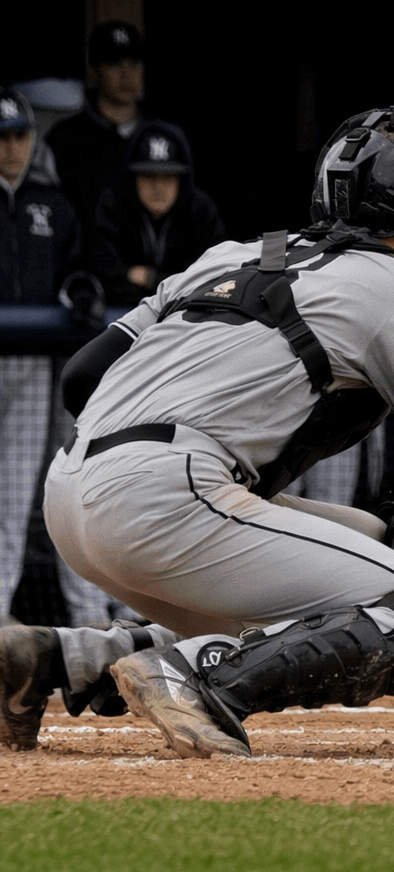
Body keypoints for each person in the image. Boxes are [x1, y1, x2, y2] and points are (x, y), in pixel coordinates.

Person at [0, 106, 394, 756]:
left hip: (73, 493)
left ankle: (57, 660)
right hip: (166, 495)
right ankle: (197, 679)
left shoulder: (235, 252)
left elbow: (81, 378)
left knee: (370, 542)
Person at [0, 87, 118, 629]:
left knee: (18, 498)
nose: (11, 148)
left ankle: (5, 618)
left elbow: (78, 266)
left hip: (30, 370)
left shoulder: (51, 202)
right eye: (2, 137)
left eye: (19, 135)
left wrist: (82, 290)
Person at [89, 120, 227, 305]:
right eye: (148, 176)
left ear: (182, 180)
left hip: (187, 318)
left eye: (168, 177)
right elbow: (103, 276)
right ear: (133, 178)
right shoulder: (111, 206)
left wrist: (151, 278)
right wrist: (175, 282)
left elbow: (213, 280)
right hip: (123, 317)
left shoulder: (201, 210)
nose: (158, 187)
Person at [46, 21, 149, 228]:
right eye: (114, 63)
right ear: (93, 70)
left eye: (134, 63)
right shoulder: (64, 140)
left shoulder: (159, 137)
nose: (126, 73)